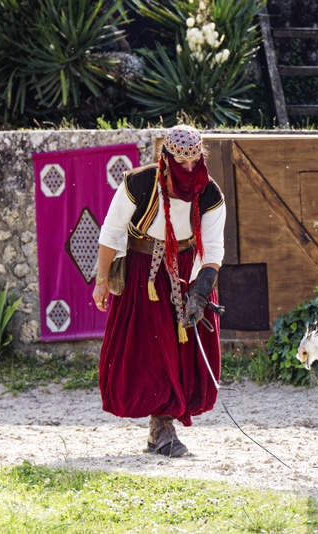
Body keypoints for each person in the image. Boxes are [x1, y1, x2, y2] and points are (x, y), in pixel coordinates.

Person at [93, 124, 225, 457]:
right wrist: (102, 280)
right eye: (181, 162)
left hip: (188, 272)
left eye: (194, 161)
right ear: (166, 157)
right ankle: (162, 430)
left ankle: (163, 428)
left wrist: (200, 292)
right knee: (152, 350)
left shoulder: (209, 193)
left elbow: (213, 248)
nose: (189, 169)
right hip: (144, 275)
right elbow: (111, 232)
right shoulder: (139, 183)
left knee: (183, 353)